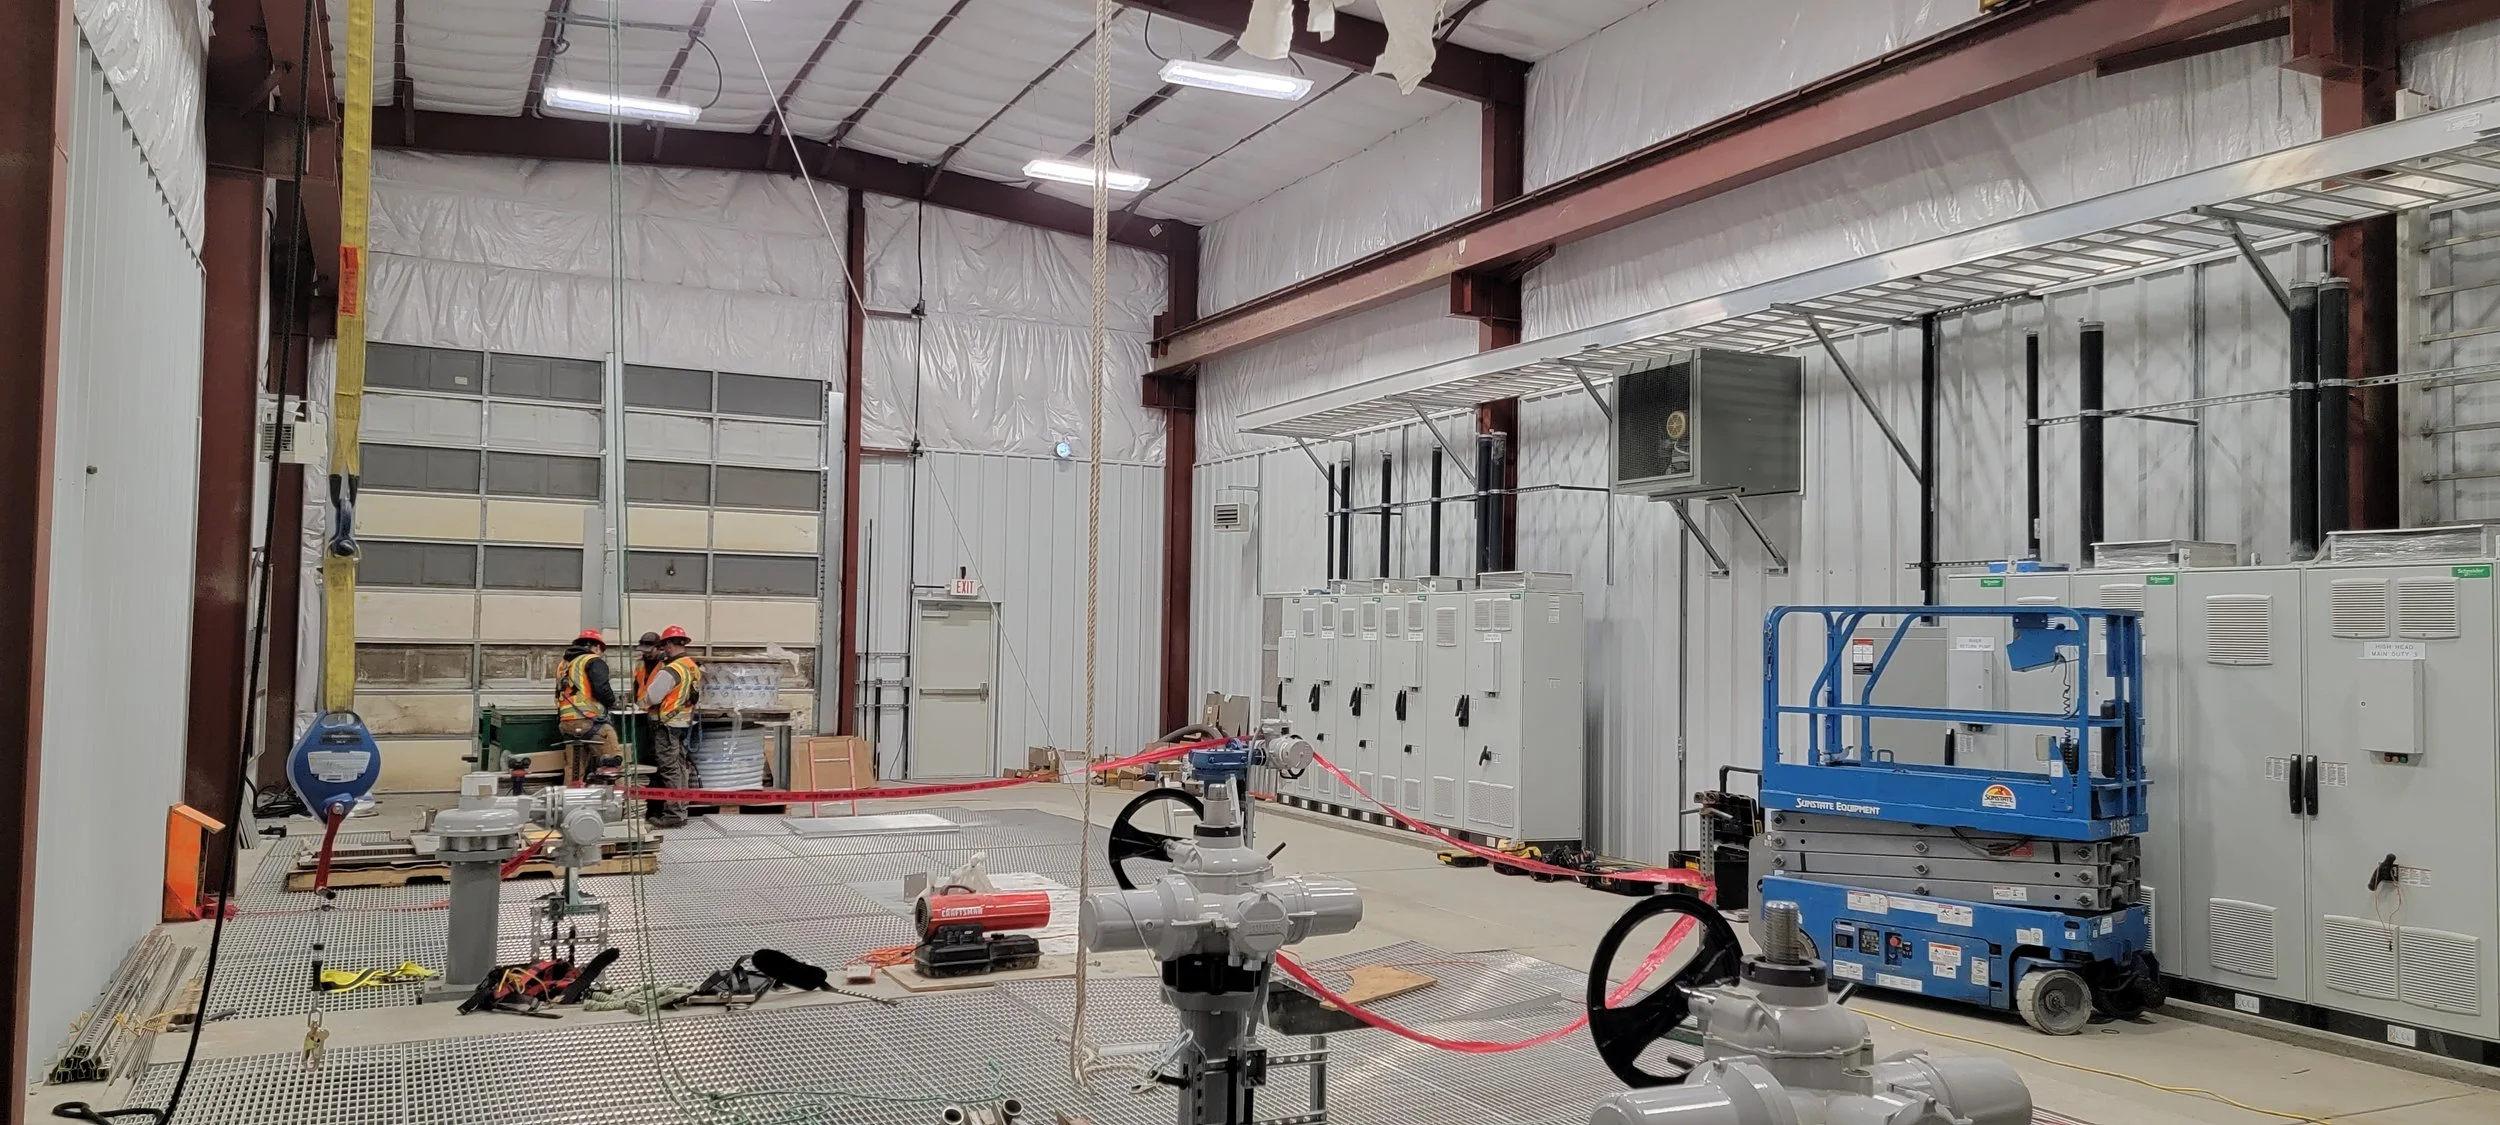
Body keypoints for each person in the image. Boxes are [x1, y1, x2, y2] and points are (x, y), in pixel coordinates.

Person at [640, 625, 703, 827]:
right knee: (680, 767)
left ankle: (674, 814)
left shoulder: (671, 669)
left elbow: (653, 696)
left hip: (667, 724)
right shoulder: (692, 666)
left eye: (664, 645)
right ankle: (680, 810)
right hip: (683, 723)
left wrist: (641, 703)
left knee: (670, 769)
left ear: (668, 645)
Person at [552, 628, 623, 787]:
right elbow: (602, 689)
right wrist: (614, 702)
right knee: (613, 764)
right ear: (596, 647)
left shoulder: (564, 665)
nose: (601, 654)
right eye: (601, 651)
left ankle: (571, 799)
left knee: (574, 771)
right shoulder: (592, 660)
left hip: (567, 722)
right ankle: (621, 799)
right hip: (590, 721)